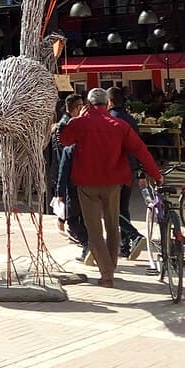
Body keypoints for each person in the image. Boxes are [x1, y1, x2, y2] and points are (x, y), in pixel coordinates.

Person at [60, 88, 162, 287]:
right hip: (113, 183)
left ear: (88, 105)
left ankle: (107, 274)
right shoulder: (120, 125)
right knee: (112, 225)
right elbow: (141, 150)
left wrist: (75, 120)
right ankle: (111, 267)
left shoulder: (80, 123)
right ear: (107, 104)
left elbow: (64, 140)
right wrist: (156, 174)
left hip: (87, 183)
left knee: (94, 231)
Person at [106, 87, 147, 259]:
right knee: (123, 207)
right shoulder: (131, 119)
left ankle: (132, 235)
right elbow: (139, 146)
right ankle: (125, 245)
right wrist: (141, 171)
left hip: (116, 169)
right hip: (131, 168)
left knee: (111, 209)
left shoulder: (109, 120)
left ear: (110, 101)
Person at [53, 95, 89, 256]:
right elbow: (64, 156)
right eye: (81, 106)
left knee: (78, 214)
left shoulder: (69, 123)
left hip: (76, 176)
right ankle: (86, 242)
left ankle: (85, 243)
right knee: (73, 216)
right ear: (74, 108)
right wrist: (60, 188)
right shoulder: (65, 125)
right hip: (70, 178)